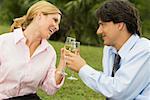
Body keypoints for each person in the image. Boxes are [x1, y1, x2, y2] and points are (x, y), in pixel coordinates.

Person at [65, 0, 150, 99]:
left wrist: (82, 68)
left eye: (103, 25)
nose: (98, 31)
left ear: (120, 25)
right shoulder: (110, 49)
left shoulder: (145, 51)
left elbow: (118, 92)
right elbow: (108, 83)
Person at [0, 1, 66, 99]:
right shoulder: (4, 42)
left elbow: (50, 88)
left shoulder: (49, 53)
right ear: (39, 15)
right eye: (55, 20)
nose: (57, 27)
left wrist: (63, 63)